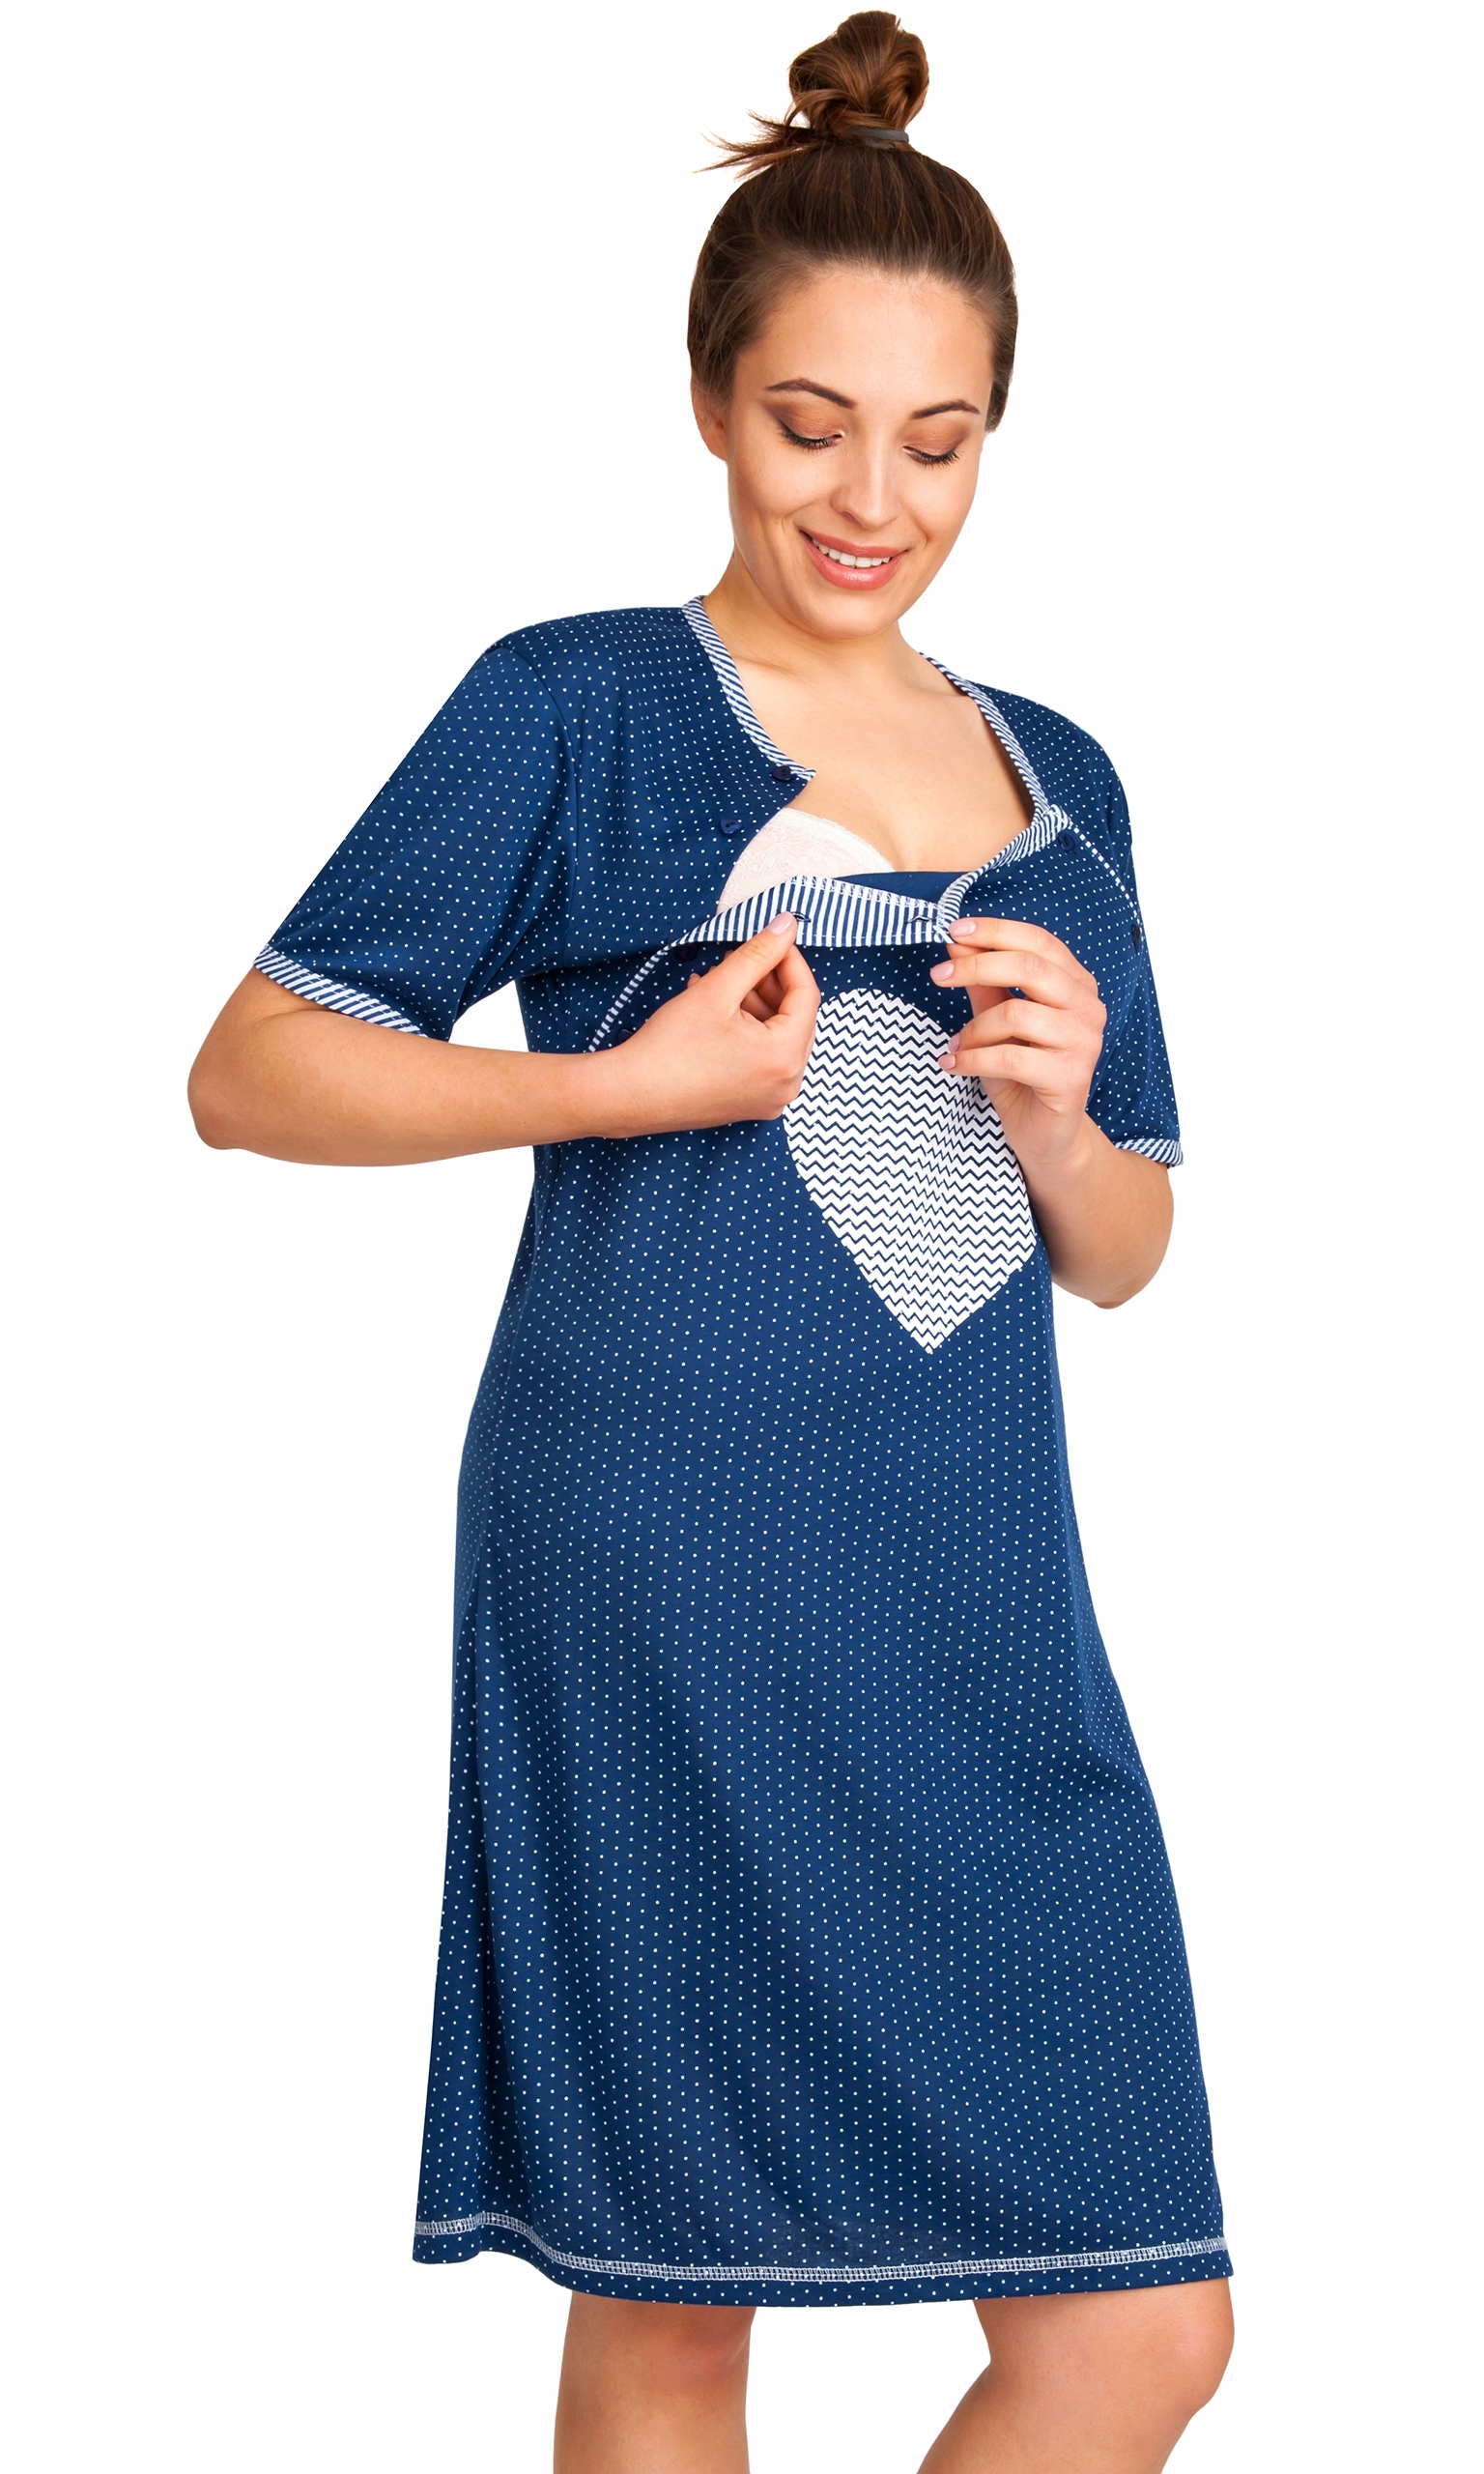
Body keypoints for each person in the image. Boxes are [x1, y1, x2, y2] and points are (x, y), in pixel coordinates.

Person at [188, 13, 1233, 2468]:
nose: (872, 498)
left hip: (972, 1584)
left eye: (937, 440)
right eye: (808, 423)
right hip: (659, 1549)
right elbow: (250, 1069)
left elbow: (1123, 1248)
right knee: (673, 2301)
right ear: (705, 401)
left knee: (1141, 2326)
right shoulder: (579, 704)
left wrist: (1057, 1116)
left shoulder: (1062, 776)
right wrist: (625, 1082)